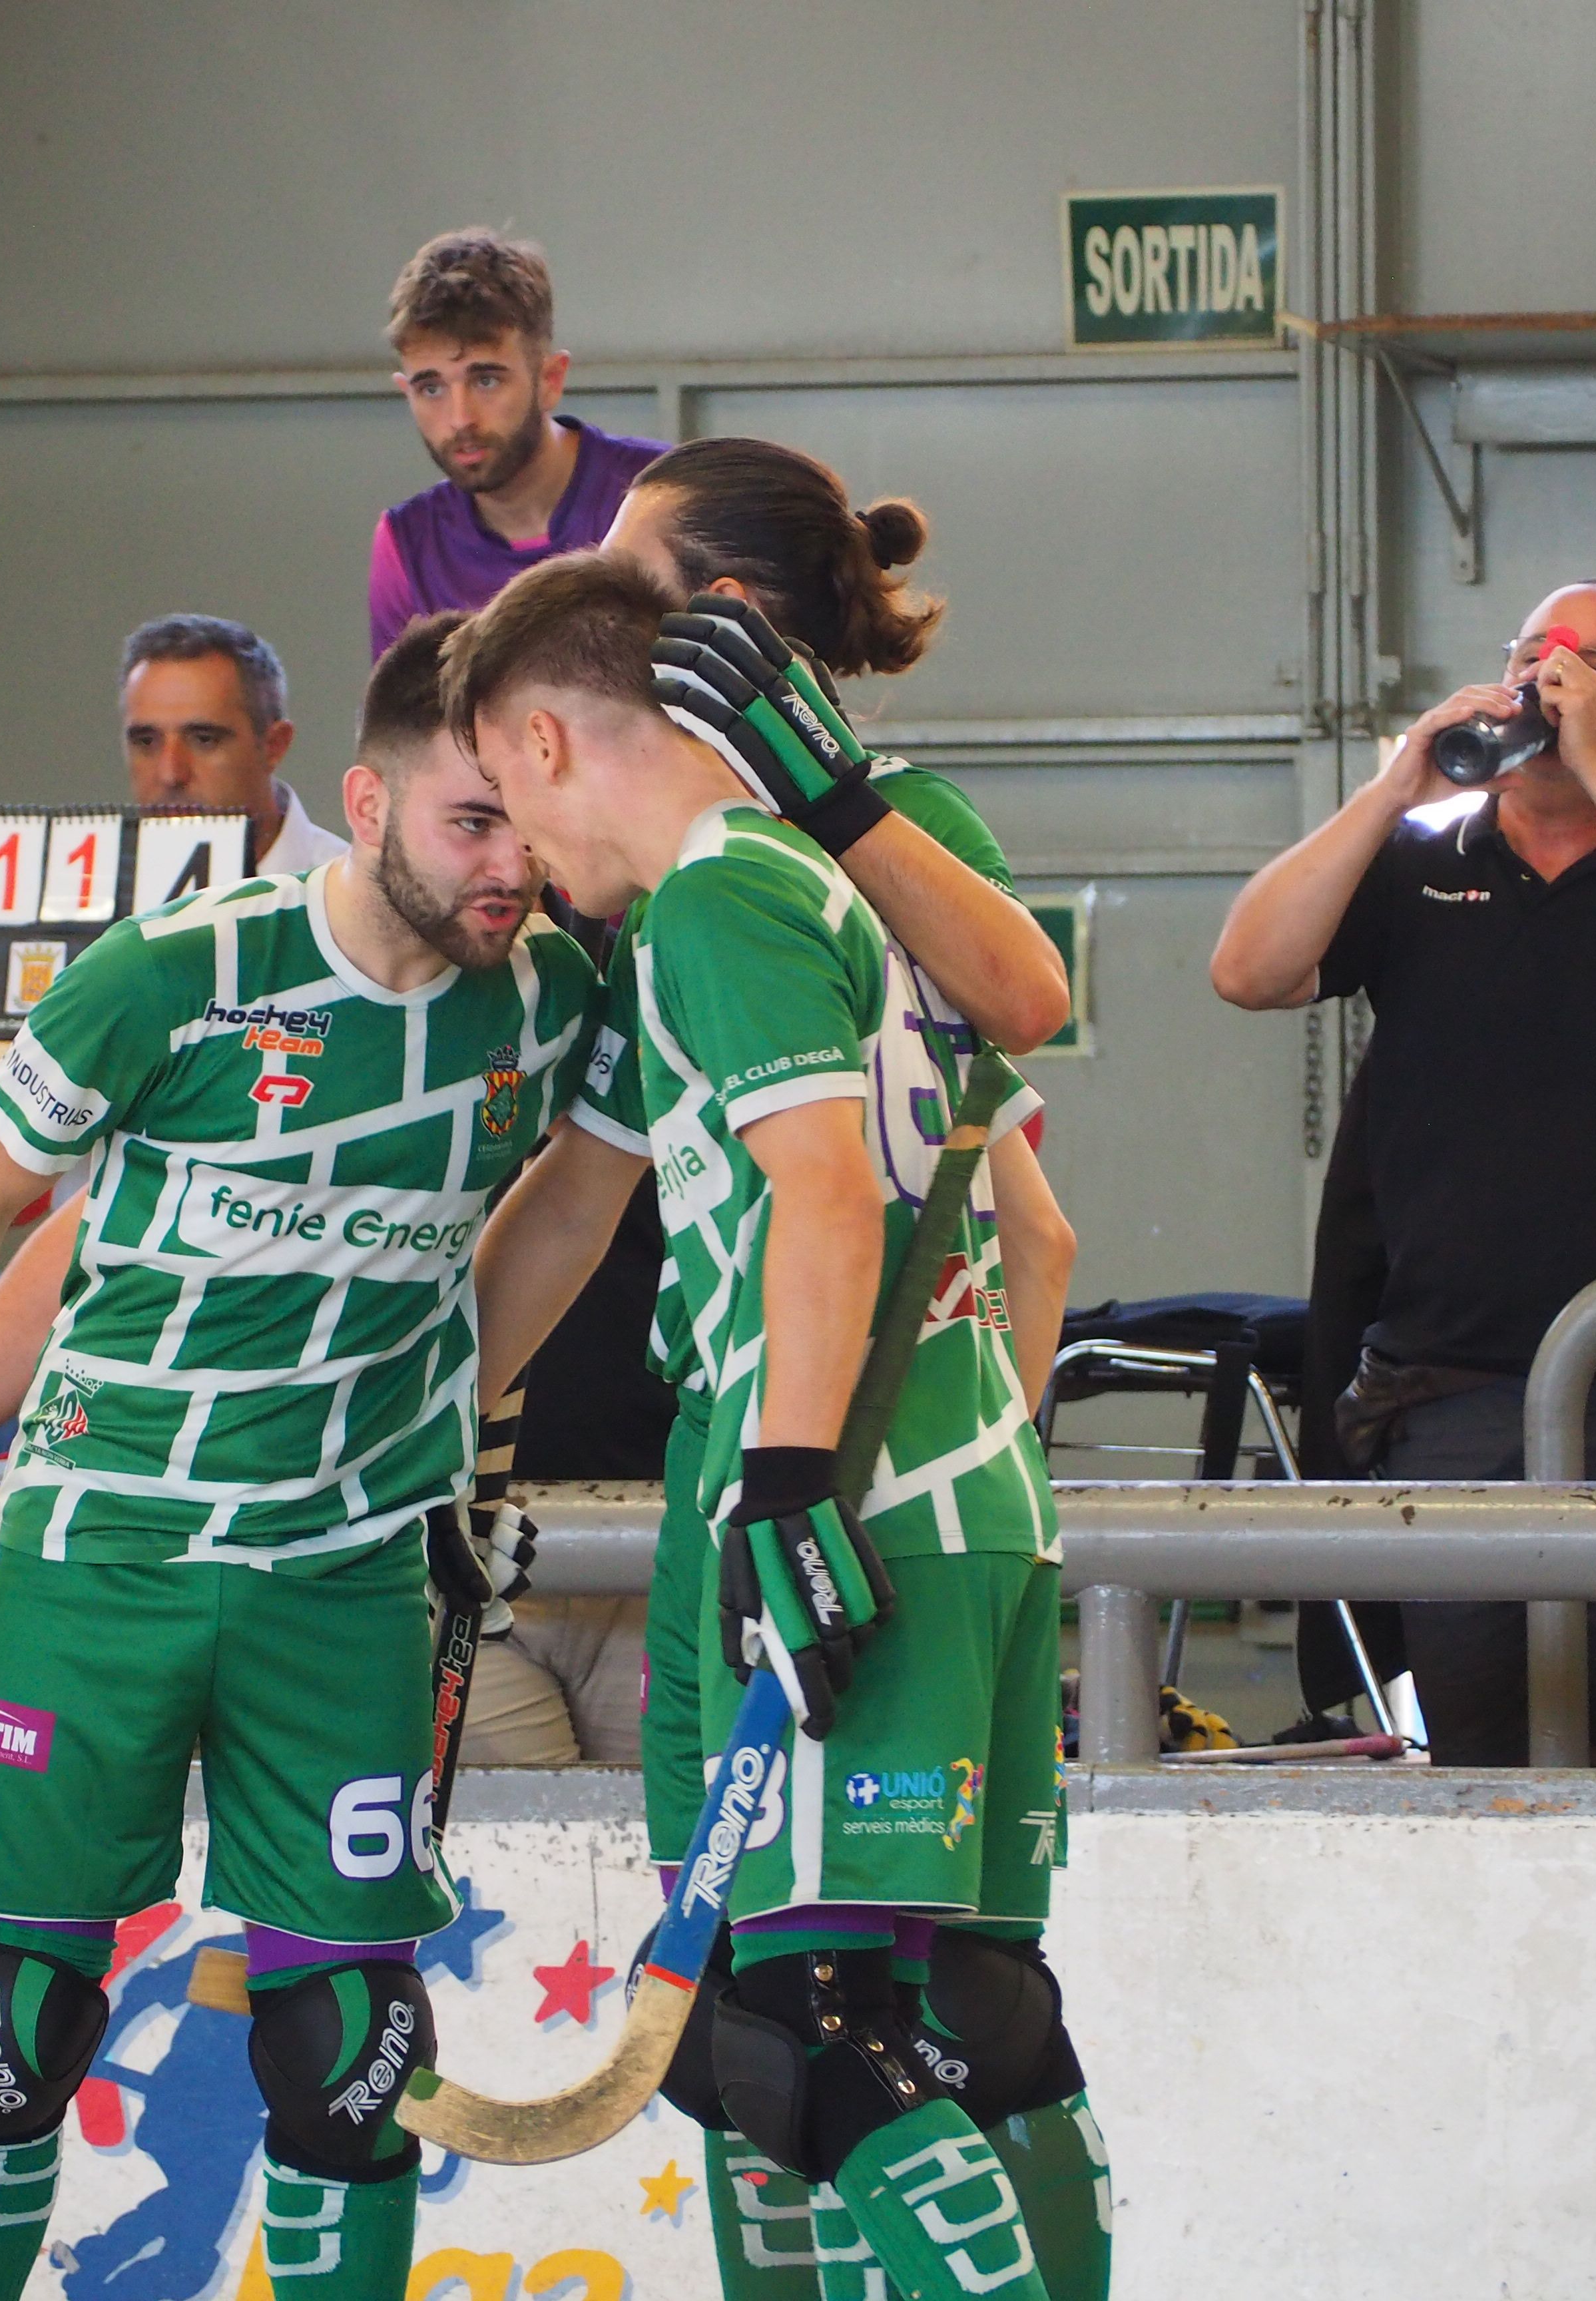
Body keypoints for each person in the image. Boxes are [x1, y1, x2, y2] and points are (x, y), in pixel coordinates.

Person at [0, 611, 596, 2301]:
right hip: (107, 1562)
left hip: (349, 1574)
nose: (512, 863)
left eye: (531, 817)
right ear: (366, 802)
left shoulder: (557, 995)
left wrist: (442, 1420)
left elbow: (574, 1203)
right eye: (472, 821)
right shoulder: (174, 971)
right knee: (6, 2021)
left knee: (354, 2037)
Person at [466, 440, 1086, 2298]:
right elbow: (578, 1205)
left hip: (807, 1460)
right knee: (823, 2025)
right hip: (905, 1471)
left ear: (717, 623)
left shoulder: (786, 872)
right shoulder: (685, 904)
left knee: (814, 2022)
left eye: (635, 579)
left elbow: (1021, 1014)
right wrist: (444, 1437)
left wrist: (835, 1472)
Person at [1210, 583, 1596, 1767]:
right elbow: (1246, 970)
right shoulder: (1419, 864)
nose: (1552, 680)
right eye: (1532, 656)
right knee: (1476, 1750)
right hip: (1450, 1382)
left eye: (1594, 667)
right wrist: (1395, 787)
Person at [368, 228, 665, 656]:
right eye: (431, 389)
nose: (460, 419)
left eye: (486, 380)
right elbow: (399, 724)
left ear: (550, 379)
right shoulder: (405, 543)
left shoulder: (659, 496)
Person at [119, 612, 346, 871]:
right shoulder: (95, 892)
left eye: (204, 740)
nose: (171, 774)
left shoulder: (356, 899)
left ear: (274, 746)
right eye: (147, 742)